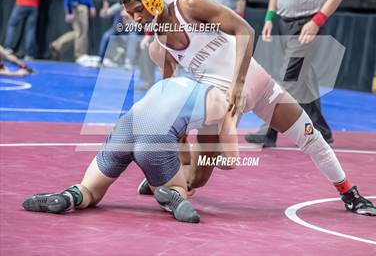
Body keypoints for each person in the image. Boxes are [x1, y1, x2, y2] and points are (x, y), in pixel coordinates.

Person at [121, 0, 376, 216]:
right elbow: (172, 87)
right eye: (131, 15)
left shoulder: (191, 7)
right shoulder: (158, 45)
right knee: (196, 179)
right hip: (218, 102)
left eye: (138, 11)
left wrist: (238, 83)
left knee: (311, 136)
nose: (136, 19)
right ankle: (165, 179)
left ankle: (349, 193)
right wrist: (181, 132)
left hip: (254, 83)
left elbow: (244, 30)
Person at [22, 76, 239, 223]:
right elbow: (231, 162)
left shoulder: (174, 83)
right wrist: (207, 158)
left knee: (90, 190)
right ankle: (172, 196)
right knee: (181, 189)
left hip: (126, 126)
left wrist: (184, 162)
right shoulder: (226, 105)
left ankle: (70, 196)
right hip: (157, 136)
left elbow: (180, 144)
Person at [246, 0, 346, 147]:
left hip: (306, 25)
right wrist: (269, 17)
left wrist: (316, 22)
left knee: (287, 79)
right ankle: (321, 130)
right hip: (285, 22)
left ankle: (268, 132)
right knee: (304, 80)